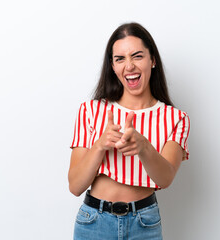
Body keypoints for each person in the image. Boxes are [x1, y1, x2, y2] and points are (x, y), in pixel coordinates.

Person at [68, 22, 190, 240]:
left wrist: (143, 147)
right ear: (113, 67)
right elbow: (75, 186)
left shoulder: (175, 118)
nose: (129, 65)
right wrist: (100, 145)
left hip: (144, 224)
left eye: (137, 56)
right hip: (93, 222)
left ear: (152, 60)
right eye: (120, 59)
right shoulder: (91, 111)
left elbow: (165, 179)